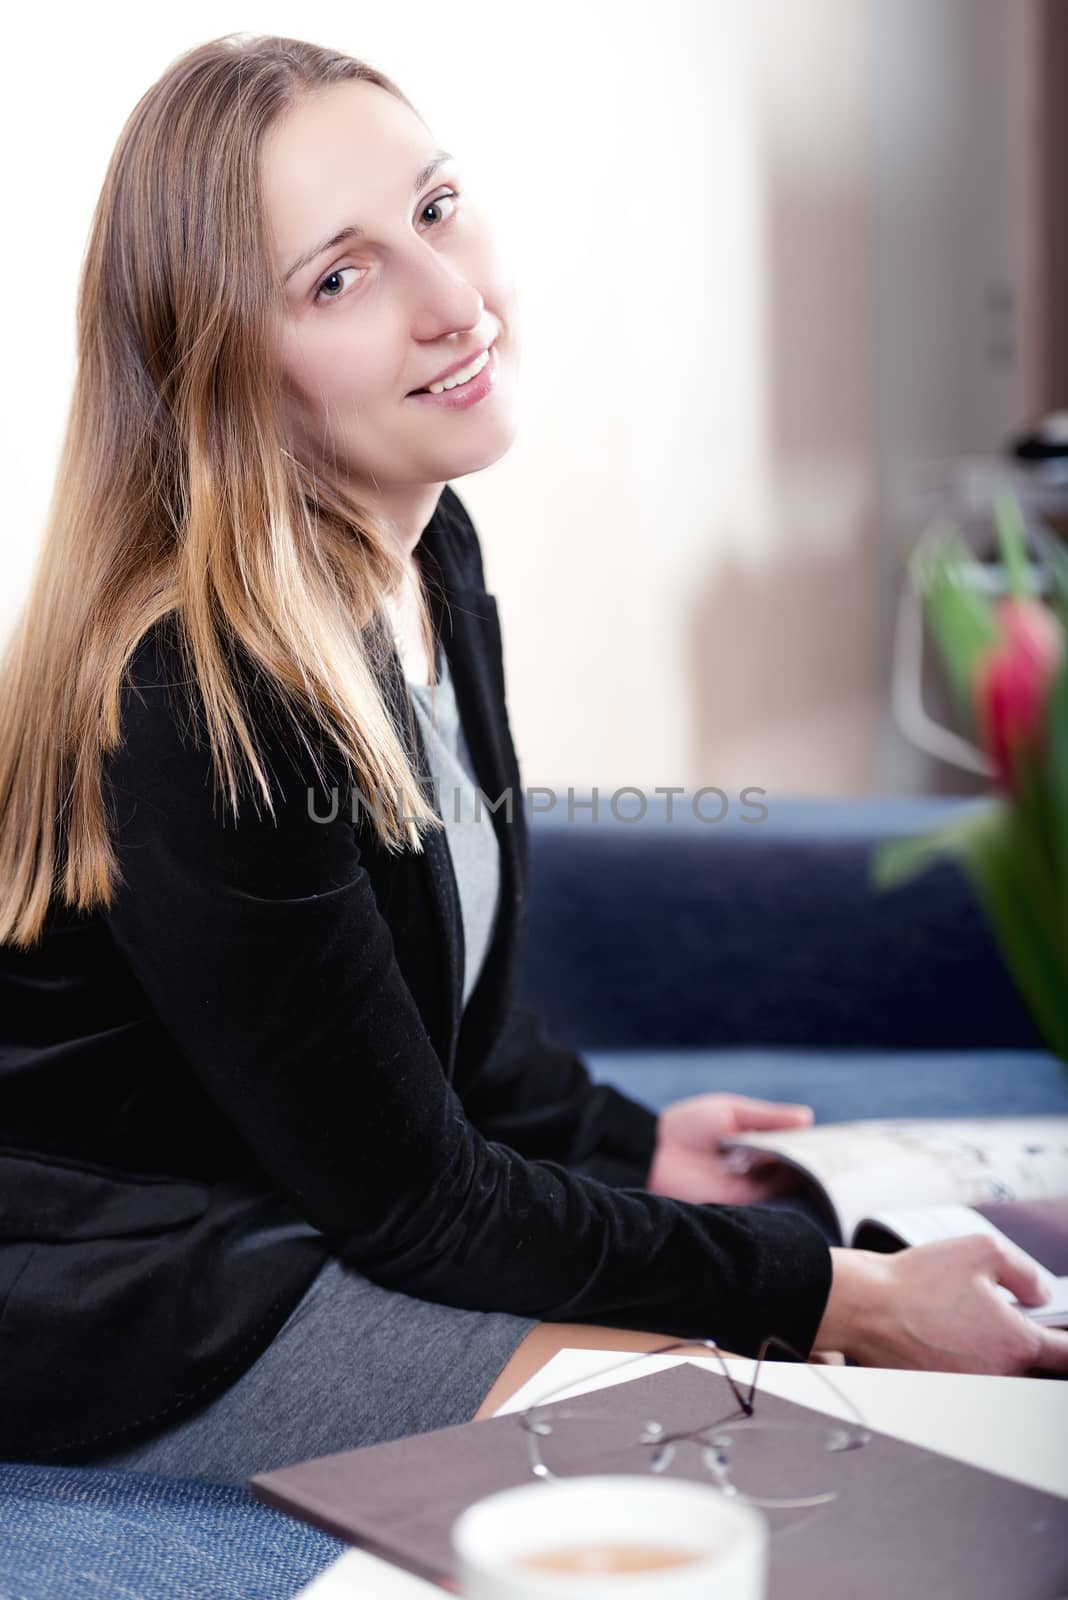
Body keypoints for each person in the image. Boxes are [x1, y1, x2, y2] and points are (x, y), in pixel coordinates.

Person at [0, 33, 1064, 1486]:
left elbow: (455, 1029)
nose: (453, 303)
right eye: (339, 276)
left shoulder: (425, 542)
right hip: (152, 1295)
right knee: (759, 1439)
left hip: (306, 1208)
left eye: (435, 210)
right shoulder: (203, 689)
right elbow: (420, 1208)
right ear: (226, 367)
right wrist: (841, 1298)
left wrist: (632, 1145)